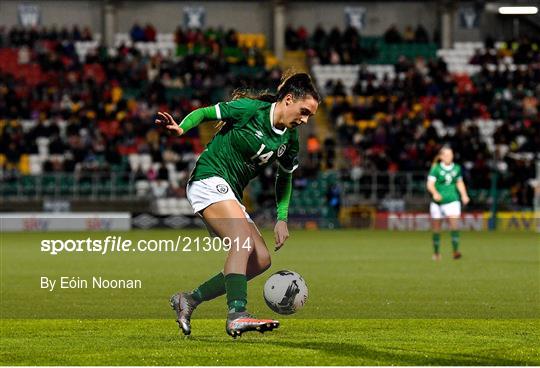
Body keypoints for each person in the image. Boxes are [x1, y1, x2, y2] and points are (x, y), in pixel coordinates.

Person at [155, 72, 320, 337]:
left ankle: (189, 299)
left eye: (310, 116)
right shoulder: (250, 110)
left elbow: (285, 177)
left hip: (229, 191)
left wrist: (281, 217)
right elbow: (207, 113)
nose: (305, 119)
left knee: (261, 260)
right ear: (288, 99)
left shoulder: (289, 139)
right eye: (304, 111)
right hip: (208, 178)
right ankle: (237, 313)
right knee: (241, 241)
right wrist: (182, 127)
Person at [426, 146, 470, 261]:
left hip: (452, 201)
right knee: (436, 229)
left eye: (450, 155)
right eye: (446, 155)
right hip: (437, 203)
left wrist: (464, 195)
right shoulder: (435, 169)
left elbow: (459, 183)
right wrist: (435, 193)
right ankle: (436, 253)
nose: (449, 157)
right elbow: (430, 184)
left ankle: (455, 251)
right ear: (441, 157)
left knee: (454, 226)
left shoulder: (457, 168)